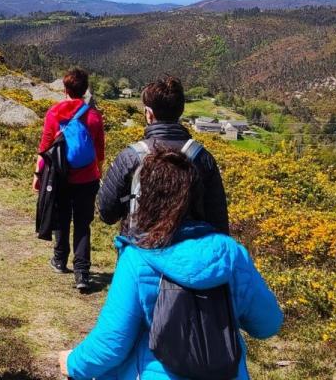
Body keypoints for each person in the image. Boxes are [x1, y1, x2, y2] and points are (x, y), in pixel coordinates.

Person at [60, 149, 283, 380]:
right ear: (197, 197)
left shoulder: (137, 258)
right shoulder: (231, 254)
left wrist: (72, 362)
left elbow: (111, 344)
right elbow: (268, 324)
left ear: (146, 200)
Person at [98, 75, 229, 236]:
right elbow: (218, 220)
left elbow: (107, 213)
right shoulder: (202, 158)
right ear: (180, 111)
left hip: (141, 253)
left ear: (148, 113)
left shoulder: (130, 157)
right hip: (189, 256)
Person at [34, 68, 106, 291]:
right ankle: (82, 273)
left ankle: (59, 259)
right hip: (87, 178)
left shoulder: (54, 113)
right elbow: (99, 152)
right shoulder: (94, 116)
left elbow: (45, 148)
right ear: (85, 91)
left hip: (60, 176)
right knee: (83, 224)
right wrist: (97, 172)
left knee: (62, 217)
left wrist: (37, 175)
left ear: (65, 89)